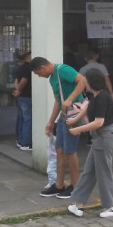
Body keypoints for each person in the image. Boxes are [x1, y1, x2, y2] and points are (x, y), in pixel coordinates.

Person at [65, 68, 113, 218]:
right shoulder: (96, 96)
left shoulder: (103, 97)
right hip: (100, 138)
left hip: (105, 137)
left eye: (86, 80)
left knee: (103, 172)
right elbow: (88, 108)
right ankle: (79, 204)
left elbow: (98, 122)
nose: (84, 82)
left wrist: (77, 130)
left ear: (91, 82)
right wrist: (75, 119)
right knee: (89, 170)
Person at [31, 56, 87, 199]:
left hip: (73, 115)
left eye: (38, 73)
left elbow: (82, 80)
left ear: (42, 68)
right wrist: (50, 122)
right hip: (63, 116)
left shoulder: (62, 70)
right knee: (59, 150)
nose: (39, 76)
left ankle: (76, 186)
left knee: (70, 151)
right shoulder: (52, 78)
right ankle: (59, 185)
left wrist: (70, 99)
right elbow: (58, 101)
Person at [11, 50, 32, 150]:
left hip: (21, 97)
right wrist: (19, 90)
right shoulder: (28, 68)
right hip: (27, 96)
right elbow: (24, 80)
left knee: (22, 118)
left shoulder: (17, 68)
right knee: (27, 119)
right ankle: (25, 143)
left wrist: (18, 90)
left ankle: (20, 140)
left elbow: (16, 81)